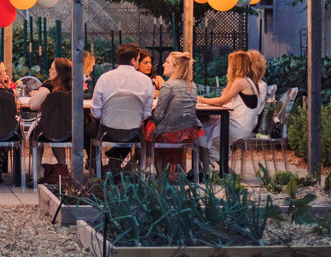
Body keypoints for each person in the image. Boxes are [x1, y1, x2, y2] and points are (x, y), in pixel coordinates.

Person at [90, 43, 155, 174]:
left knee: (90, 127)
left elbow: (96, 112)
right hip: (135, 131)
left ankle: (96, 172)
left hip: (107, 130)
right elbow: (147, 113)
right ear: (134, 60)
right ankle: (136, 171)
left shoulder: (104, 78)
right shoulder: (146, 81)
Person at [198, 51, 264, 164]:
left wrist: (200, 100)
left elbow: (221, 101)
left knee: (201, 132)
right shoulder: (249, 81)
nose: (228, 68)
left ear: (235, 66)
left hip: (238, 127)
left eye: (230, 64)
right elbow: (225, 101)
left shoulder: (240, 81)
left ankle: (207, 168)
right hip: (244, 125)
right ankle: (211, 167)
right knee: (205, 128)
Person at [146, 52, 205, 179]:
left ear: (176, 67)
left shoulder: (168, 85)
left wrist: (150, 118)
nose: (163, 64)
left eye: (167, 62)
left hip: (170, 133)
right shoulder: (192, 85)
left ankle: (158, 175)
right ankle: (174, 173)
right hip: (188, 132)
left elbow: (159, 114)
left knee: (148, 129)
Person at [28, 57, 74, 182]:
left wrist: (35, 95)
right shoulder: (74, 87)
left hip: (46, 129)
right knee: (58, 132)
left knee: (35, 135)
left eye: (52, 69)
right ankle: (62, 168)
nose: (49, 70)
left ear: (59, 72)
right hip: (69, 130)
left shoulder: (49, 85)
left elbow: (33, 105)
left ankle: (38, 170)